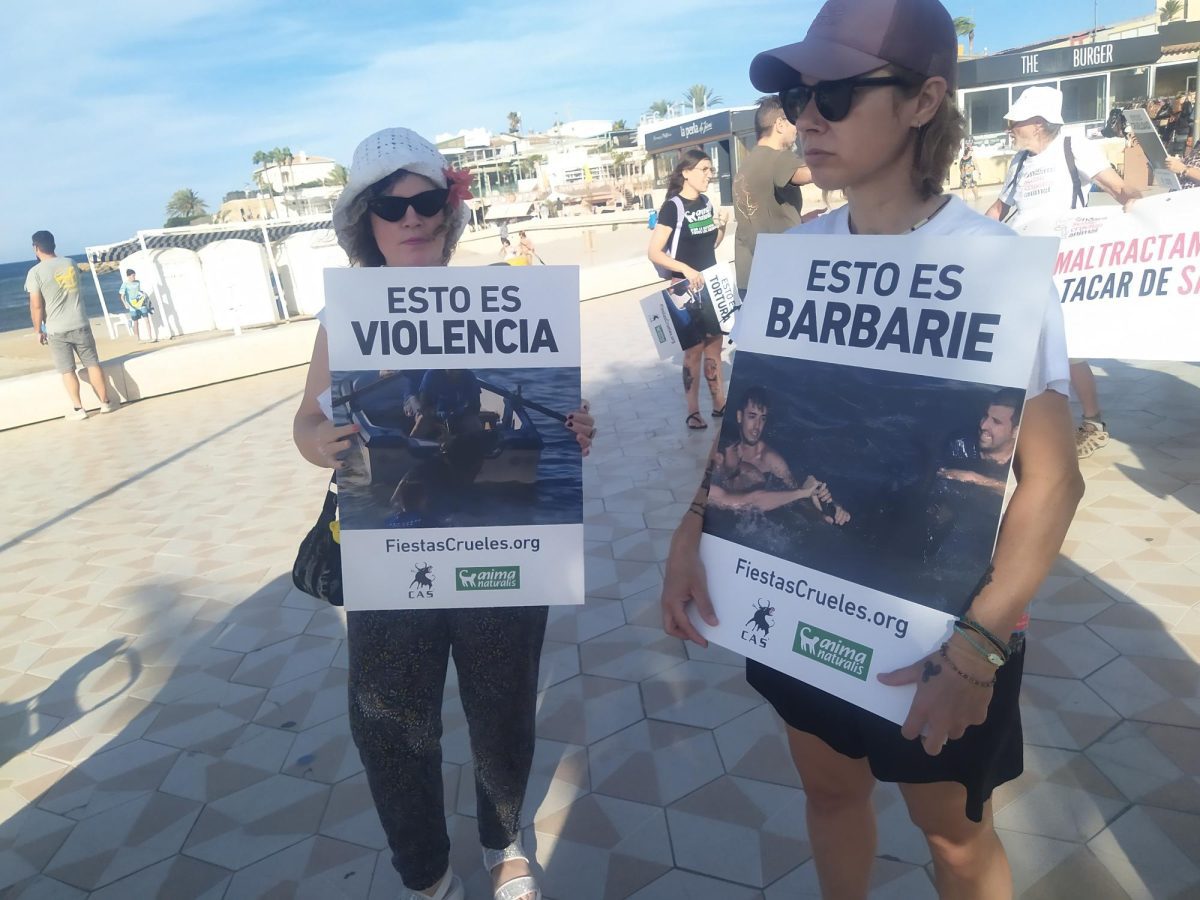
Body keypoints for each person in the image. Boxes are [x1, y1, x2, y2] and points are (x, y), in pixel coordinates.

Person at [661, 3, 1084, 898]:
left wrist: (977, 649)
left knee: (957, 842)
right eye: (801, 94)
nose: (807, 116)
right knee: (827, 793)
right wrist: (691, 531)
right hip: (802, 600)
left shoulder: (994, 264)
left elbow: (1053, 481)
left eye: (839, 94)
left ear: (926, 99)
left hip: (937, 632)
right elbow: (748, 422)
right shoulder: (794, 254)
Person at [292, 127, 596, 900]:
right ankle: (424, 873)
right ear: (367, 221)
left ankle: (503, 840)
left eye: (427, 200)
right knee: (389, 721)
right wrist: (318, 440)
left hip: (498, 540)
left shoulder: (507, 297)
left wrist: (575, 429)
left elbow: (552, 412)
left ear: (448, 209)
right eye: (391, 207)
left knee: (501, 705)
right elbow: (304, 423)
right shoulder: (344, 319)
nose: (412, 217)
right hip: (394, 540)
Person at [985, 86, 1142, 460]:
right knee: (1019, 345)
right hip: (1022, 263)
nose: (1010, 128)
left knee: (1069, 348)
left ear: (1038, 124)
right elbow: (1000, 208)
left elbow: (1116, 187)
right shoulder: (1020, 161)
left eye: (1016, 122)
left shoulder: (1075, 148)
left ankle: (1093, 422)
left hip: (1064, 263)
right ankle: (1027, 424)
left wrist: (1136, 205)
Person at [647, 149, 729, 430]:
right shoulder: (673, 207)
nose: (710, 175)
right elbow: (654, 252)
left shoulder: (706, 202)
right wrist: (686, 269)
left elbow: (709, 246)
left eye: (710, 170)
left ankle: (720, 402)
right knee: (693, 351)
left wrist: (722, 229)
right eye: (704, 169)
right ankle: (693, 411)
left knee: (715, 347)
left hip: (711, 285)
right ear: (686, 173)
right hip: (684, 288)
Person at [708, 386, 850, 523]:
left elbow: (798, 501)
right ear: (740, 416)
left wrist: (827, 509)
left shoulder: (772, 461)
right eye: (752, 416)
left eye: (762, 418)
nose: (757, 427)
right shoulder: (724, 449)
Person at [25, 230, 118, 420]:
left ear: (36, 248)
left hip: (56, 329)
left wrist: (37, 330)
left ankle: (78, 408)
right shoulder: (71, 263)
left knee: (67, 370)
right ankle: (105, 402)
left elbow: (36, 305)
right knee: (92, 364)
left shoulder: (35, 273)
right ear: (54, 245)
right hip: (80, 322)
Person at [732, 96, 812, 297]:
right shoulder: (778, 157)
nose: (797, 129)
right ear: (780, 124)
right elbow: (817, 174)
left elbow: (760, 218)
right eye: (794, 121)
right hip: (778, 275)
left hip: (749, 274)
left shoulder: (747, 164)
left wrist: (799, 220)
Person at [937, 389, 1023, 496]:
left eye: (996, 422)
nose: (983, 426)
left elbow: (1028, 496)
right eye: (986, 416)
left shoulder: (1024, 462)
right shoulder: (959, 445)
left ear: (1016, 431)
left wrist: (976, 479)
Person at [117, 268, 156, 342]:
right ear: (128, 276)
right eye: (132, 276)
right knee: (136, 322)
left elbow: (138, 292)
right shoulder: (125, 284)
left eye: (134, 275)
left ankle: (150, 337)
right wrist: (125, 304)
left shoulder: (138, 282)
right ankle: (138, 339)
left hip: (141, 303)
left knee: (146, 319)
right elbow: (122, 296)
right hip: (132, 305)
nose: (134, 277)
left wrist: (144, 296)